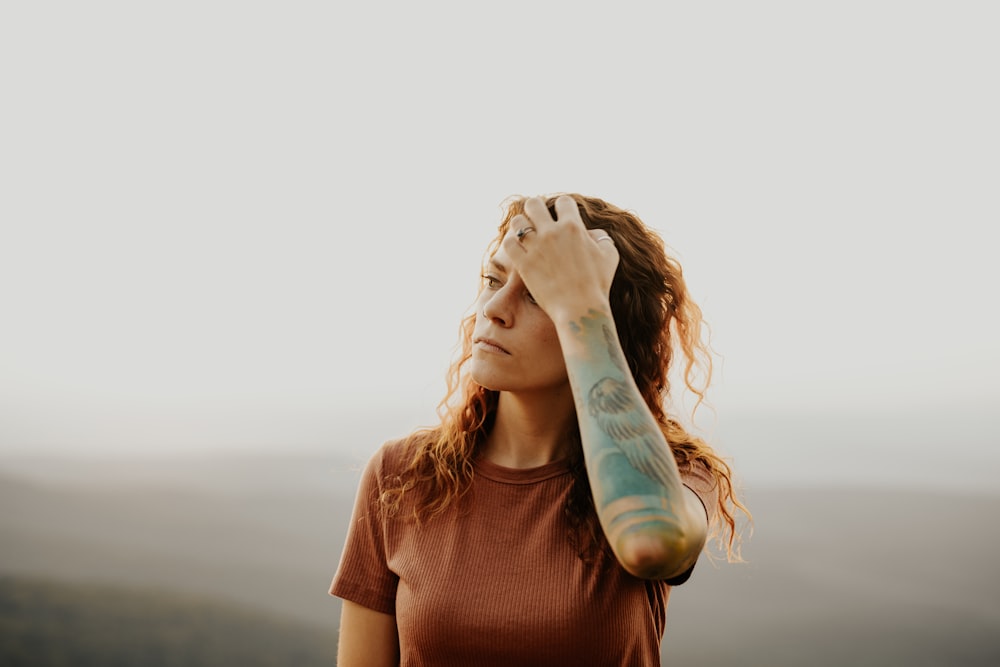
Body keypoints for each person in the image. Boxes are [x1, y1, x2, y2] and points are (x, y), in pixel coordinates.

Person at [330, 193, 748, 666]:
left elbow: (651, 543)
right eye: (493, 279)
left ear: (606, 324)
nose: (494, 309)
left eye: (538, 293)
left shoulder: (669, 472)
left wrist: (581, 312)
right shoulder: (402, 474)